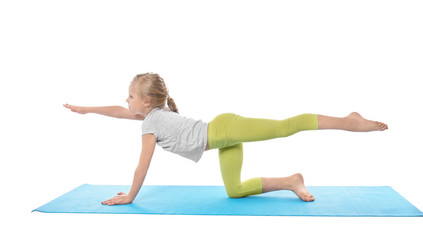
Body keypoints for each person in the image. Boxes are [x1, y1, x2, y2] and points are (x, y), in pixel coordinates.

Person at [63, 73, 388, 205]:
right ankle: (292, 180)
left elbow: (141, 167)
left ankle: (349, 121)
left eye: (130, 96)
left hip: (225, 129)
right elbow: (119, 112)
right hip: (223, 140)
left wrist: (130, 197)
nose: (127, 101)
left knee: (283, 127)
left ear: (146, 102)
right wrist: (86, 109)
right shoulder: (150, 115)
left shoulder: (149, 125)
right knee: (234, 191)